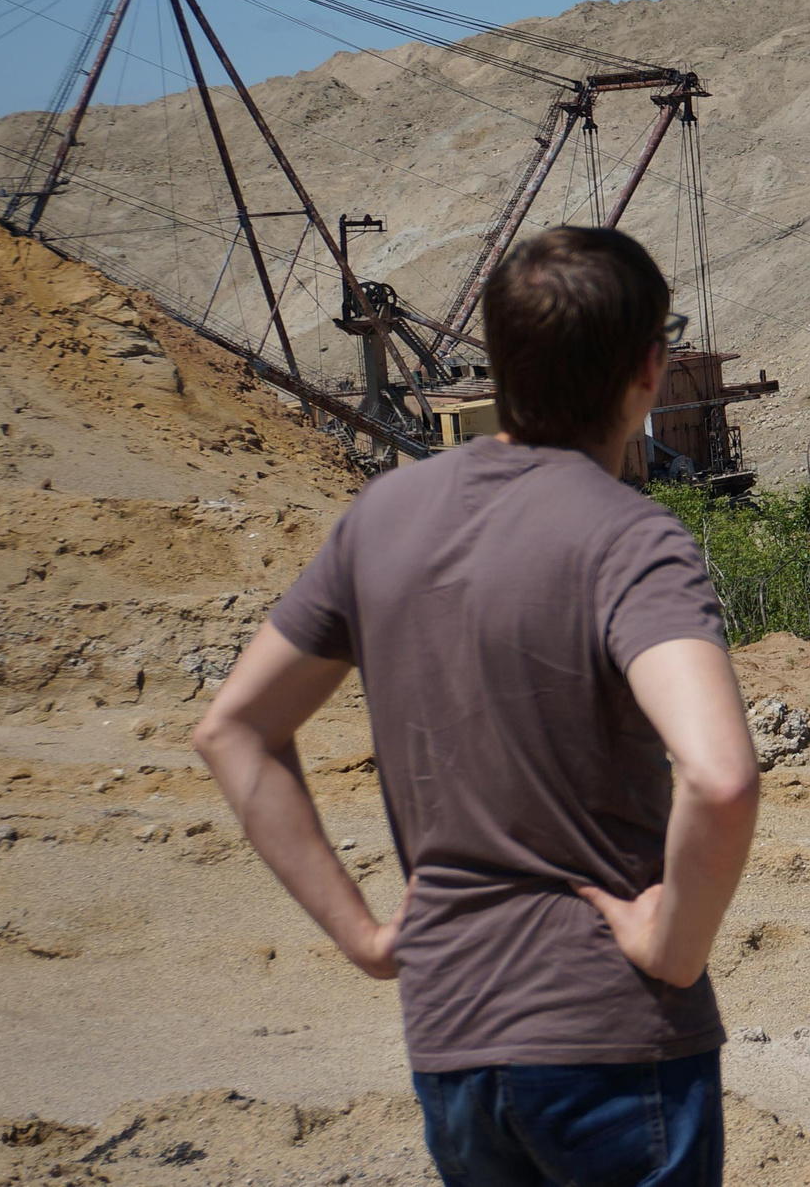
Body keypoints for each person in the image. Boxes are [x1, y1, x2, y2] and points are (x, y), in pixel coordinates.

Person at [192, 227, 760, 1187]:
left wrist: (364, 937)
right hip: (613, 1043)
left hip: (452, 1042)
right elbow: (723, 775)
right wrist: (672, 945)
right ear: (648, 369)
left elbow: (232, 728)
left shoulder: (380, 518)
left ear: (498, 362)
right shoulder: (631, 540)